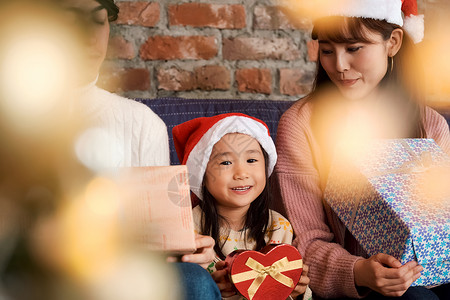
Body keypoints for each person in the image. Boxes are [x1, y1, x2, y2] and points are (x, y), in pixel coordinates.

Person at [274, 0, 450, 299]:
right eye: (327, 50)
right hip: (360, 289)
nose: (339, 65)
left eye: (354, 48)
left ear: (392, 42)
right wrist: (357, 271)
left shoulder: (430, 125)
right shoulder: (301, 124)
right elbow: (303, 241)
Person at [57, 1, 220, 299]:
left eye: (98, 21)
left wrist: (185, 251)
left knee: (192, 280)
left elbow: (155, 245)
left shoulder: (142, 123)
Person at [172, 113, 312, 300]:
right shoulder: (189, 231)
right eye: (226, 162)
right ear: (202, 175)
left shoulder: (279, 226)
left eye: (251, 160)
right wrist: (211, 287)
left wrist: (296, 290)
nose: (241, 173)